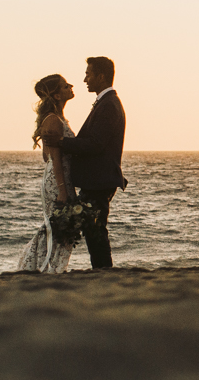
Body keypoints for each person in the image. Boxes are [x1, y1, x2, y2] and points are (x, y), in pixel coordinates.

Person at [51, 55, 129, 271]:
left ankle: (104, 271)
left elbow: (95, 144)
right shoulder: (106, 103)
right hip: (98, 178)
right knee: (93, 228)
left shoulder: (109, 105)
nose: (85, 79)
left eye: (88, 74)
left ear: (101, 76)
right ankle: (102, 270)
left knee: (96, 229)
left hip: (100, 179)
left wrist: (61, 142)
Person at [15, 73, 81, 273]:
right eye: (65, 86)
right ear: (57, 95)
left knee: (62, 225)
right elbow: (54, 159)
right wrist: (62, 189)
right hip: (58, 180)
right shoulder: (53, 120)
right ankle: (43, 267)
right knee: (57, 225)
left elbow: (47, 154)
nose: (71, 86)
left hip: (62, 178)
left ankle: (51, 266)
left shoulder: (59, 118)